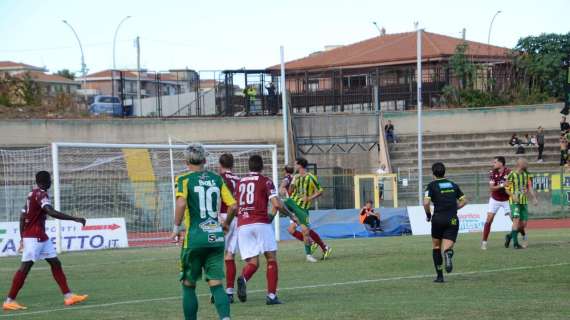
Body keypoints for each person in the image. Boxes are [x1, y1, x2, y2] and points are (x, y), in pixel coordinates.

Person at [3, 171, 88, 311]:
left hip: (40, 237)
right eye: (50, 179)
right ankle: (9, 300)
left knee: (55, 263)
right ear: (46, 181)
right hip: (34, 238)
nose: (52, 182)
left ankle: (68, 296)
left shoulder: (31, 194)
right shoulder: (41, 194)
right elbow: (51, 212)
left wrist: (22, 237)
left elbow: (22, 216)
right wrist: (75, 218)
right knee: (25, 267)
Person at [171, 144, 237, 320]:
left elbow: (181, 203)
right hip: (215, 237)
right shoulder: (217, 179)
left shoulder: (184, 179)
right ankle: (225, 318)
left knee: (188, 284)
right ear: (205, 160)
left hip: (194, 238)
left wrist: (176, 227)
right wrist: (226, 224)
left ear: (186, 162)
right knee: (216, 284)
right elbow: (233, 206)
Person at [225, 155, 283, 305]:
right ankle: (271, 296)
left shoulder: (240, 183)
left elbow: (234, 207)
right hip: (260, 223)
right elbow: (276, 204)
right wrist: (272, 216)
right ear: (262, 166)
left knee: (253, 262)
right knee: (271, 259)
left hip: (243, 225)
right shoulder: (266, 181)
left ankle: (243, 278)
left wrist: (227, 223)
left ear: (249, 167)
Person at [423, 162, 467, 283]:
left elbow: (426, 203)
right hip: (452, 219)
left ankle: (440, 276)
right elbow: (464, 200)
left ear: (433, 173)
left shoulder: (431, 185)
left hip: (438, 219)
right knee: (447, 248)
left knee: (436, 247)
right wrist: (455, 208)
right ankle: (448, 253)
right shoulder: (453, 184)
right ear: (444, 172)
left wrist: (428, 215)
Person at [284, 157, 332, 262]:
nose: (294, 166)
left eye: (296, 164)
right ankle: (315, 244)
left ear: (300, 165)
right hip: (294, 206)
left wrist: (309, 198)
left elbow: (320, 191)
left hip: (303, 209)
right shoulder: (295, 177)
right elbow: (291, 192)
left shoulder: (310, 177)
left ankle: (321, 249)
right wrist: (292, 183)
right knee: (291, 230)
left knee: (305, 231)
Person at [216, 154, 241, 303]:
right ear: (233, 164)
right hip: (238, 218)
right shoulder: (238, 179)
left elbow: (217, 198)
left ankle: (216, 292)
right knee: (230, 255)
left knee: (216, 255)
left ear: (220, 164)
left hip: (224, 217)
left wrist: (217, 216)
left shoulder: (219, 179)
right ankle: (230, 292)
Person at [504, 158, 538, 249]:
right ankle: (515, 244)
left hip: (524, 201)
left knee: (523, 224)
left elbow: (529, 187)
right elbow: (506, 189)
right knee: (516, 221)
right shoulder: (511, 175)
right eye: (525, 163)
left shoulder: (527, 174)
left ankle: (509, 236)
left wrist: (534, 198)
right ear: (520, 164)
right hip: (514, 202)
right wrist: (513, 196)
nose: (527, 164)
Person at [481, 156, 511, 250]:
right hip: (495, 199)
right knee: (489, 219)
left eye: (495, 162)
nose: (493, 164)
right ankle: (484, 242)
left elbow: (509, 185)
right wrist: (502, 185)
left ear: (501, 163)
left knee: (515, 220)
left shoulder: (509, 172)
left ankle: (513, 237)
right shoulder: (492, 172)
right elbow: (491, 188)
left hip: (507, 199)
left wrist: (505, 186)